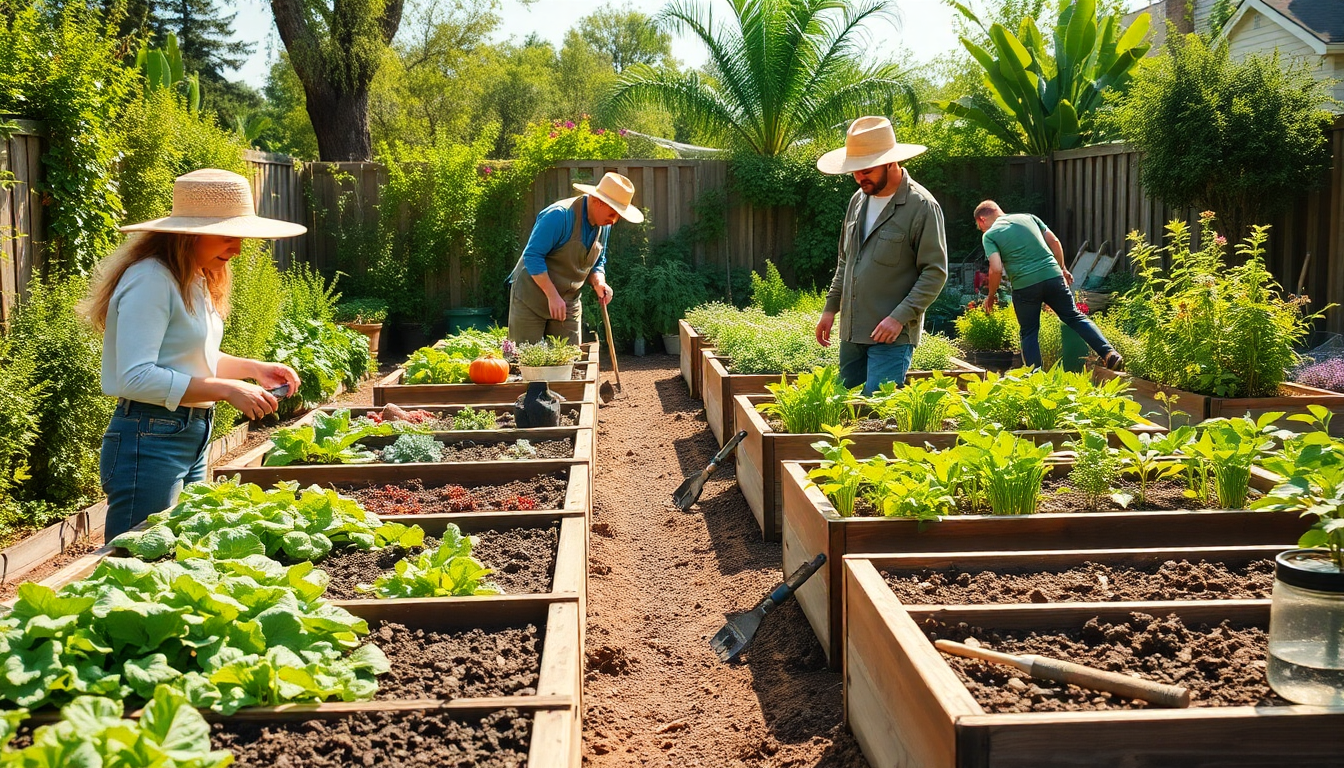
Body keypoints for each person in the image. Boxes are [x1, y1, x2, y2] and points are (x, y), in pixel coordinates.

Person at [82, 169, 307, 539]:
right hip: (150, 437)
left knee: (173, 559)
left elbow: (189, 356)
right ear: (189, 233)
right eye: (227, 236)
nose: (236, 249)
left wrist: (253, 369)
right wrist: (226, 389)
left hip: (185, 433)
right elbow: (134, 377)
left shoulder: (193, 276)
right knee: (137, 565)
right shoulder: (151, 279)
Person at [814, 116, 948, 395]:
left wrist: (899, 317)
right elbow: (845, 261)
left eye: (867, 169)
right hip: (852, 333)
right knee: (842, 410)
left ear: (891, 162)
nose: (860, 176)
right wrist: (830, 308)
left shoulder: (921, 206)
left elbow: (935, 272)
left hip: (892, 337)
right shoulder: (857, 200)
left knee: (875, 414)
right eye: (855, 170)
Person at [974, 200, 1123, 370]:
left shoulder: (990, 235)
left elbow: (996, 268)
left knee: (1029, 332)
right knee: (1074, 317)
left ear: (981, 220)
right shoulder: (1029, 218)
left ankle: (1036, 380)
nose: (982, 231)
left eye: (980, 228)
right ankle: (1109, 354)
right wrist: (1063, 269)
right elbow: (1055, 242)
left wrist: (991, 295)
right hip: (1053, 277)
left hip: (1025, 286)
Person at [507, 172, 642, 345]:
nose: (614, 220)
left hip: (568, 301)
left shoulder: (604, 224)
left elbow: (598, 260)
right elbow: (533, 256)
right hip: (531, 298)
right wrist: (552, 295)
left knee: (570, 359)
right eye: (613, 212)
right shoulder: (558, 216)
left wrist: (599, 282)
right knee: (526, 361)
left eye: (618, 215)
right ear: (597, 201)